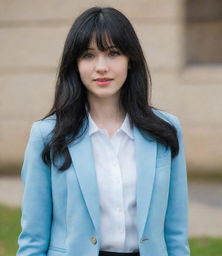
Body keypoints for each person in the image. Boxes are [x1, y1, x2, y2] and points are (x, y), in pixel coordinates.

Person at [17, 6, 190, 256]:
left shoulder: (166, 130)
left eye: (113, 53)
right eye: (88, 55)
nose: (101, 66)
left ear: (130, 60)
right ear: (74, 64)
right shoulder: (47, 135)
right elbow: (33, 238)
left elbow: (176, 234)